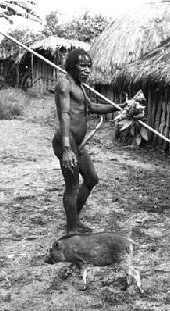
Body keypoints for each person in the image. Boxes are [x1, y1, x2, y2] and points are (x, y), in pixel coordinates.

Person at [52, 49, 117, 233]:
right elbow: (64, 115)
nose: (87, 70)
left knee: (91, 179)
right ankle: (72, 231)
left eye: (89, 66)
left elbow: (92, 107)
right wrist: (66, 149)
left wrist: (118, 107)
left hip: (77, 143)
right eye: (82, 66)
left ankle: (74, 219)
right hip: (67, 141)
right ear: (72, 66)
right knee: (72, 186)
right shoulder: (64, 84)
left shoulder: (78, 85)